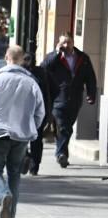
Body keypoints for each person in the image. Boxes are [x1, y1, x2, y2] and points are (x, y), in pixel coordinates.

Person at [0, 45, 45, 218]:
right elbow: (40, 112)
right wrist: (31, 129)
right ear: (22, 60)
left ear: (6, 57)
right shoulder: (31, 83)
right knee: (14, 172)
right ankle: (11, 212)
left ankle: (3, 195)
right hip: (21, 134)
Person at [41, 33, 97, 168]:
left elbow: (90, 77)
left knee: (67, 127)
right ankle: (61, 154)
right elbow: (43, 68)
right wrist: (56, 53)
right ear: (59, 44)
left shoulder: (83, 58)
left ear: (73, 42)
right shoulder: (54, 57)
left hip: (75, 98)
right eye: (63, 43)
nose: (66, 45)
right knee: (63, 127)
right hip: (58, 98)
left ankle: (62, 155)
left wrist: (91, 93)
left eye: (68, 42)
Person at [22, 53, 51, 176]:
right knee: (37, 138)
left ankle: (25, 157)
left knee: (20, 138)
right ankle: (34, 166)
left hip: (22, 111)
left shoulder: (18, 73)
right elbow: (52, 90)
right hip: (39, 110)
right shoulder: (41, 72)